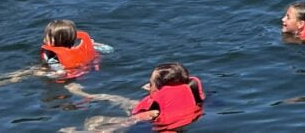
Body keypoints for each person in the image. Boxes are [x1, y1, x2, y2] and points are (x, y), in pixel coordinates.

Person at [62, 63, 203, 133]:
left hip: (145, 121)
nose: (148, 85)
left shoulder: (152, 113)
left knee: (94, 121)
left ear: (160, 89)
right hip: (163, 112)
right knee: (118, 99)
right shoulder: (193, 96)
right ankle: (85, 94)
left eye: (151, 83)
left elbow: (124, 124)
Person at [0, 19, 105, 88]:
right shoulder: (83, 42)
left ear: (57, 40)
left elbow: (59, 70)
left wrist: (49, 74)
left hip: (67, 74)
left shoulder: (51, 54)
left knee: (29, 71)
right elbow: (106, 49)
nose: (44, 38)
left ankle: (5, 80)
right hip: (87, 69)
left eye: (48, 36)